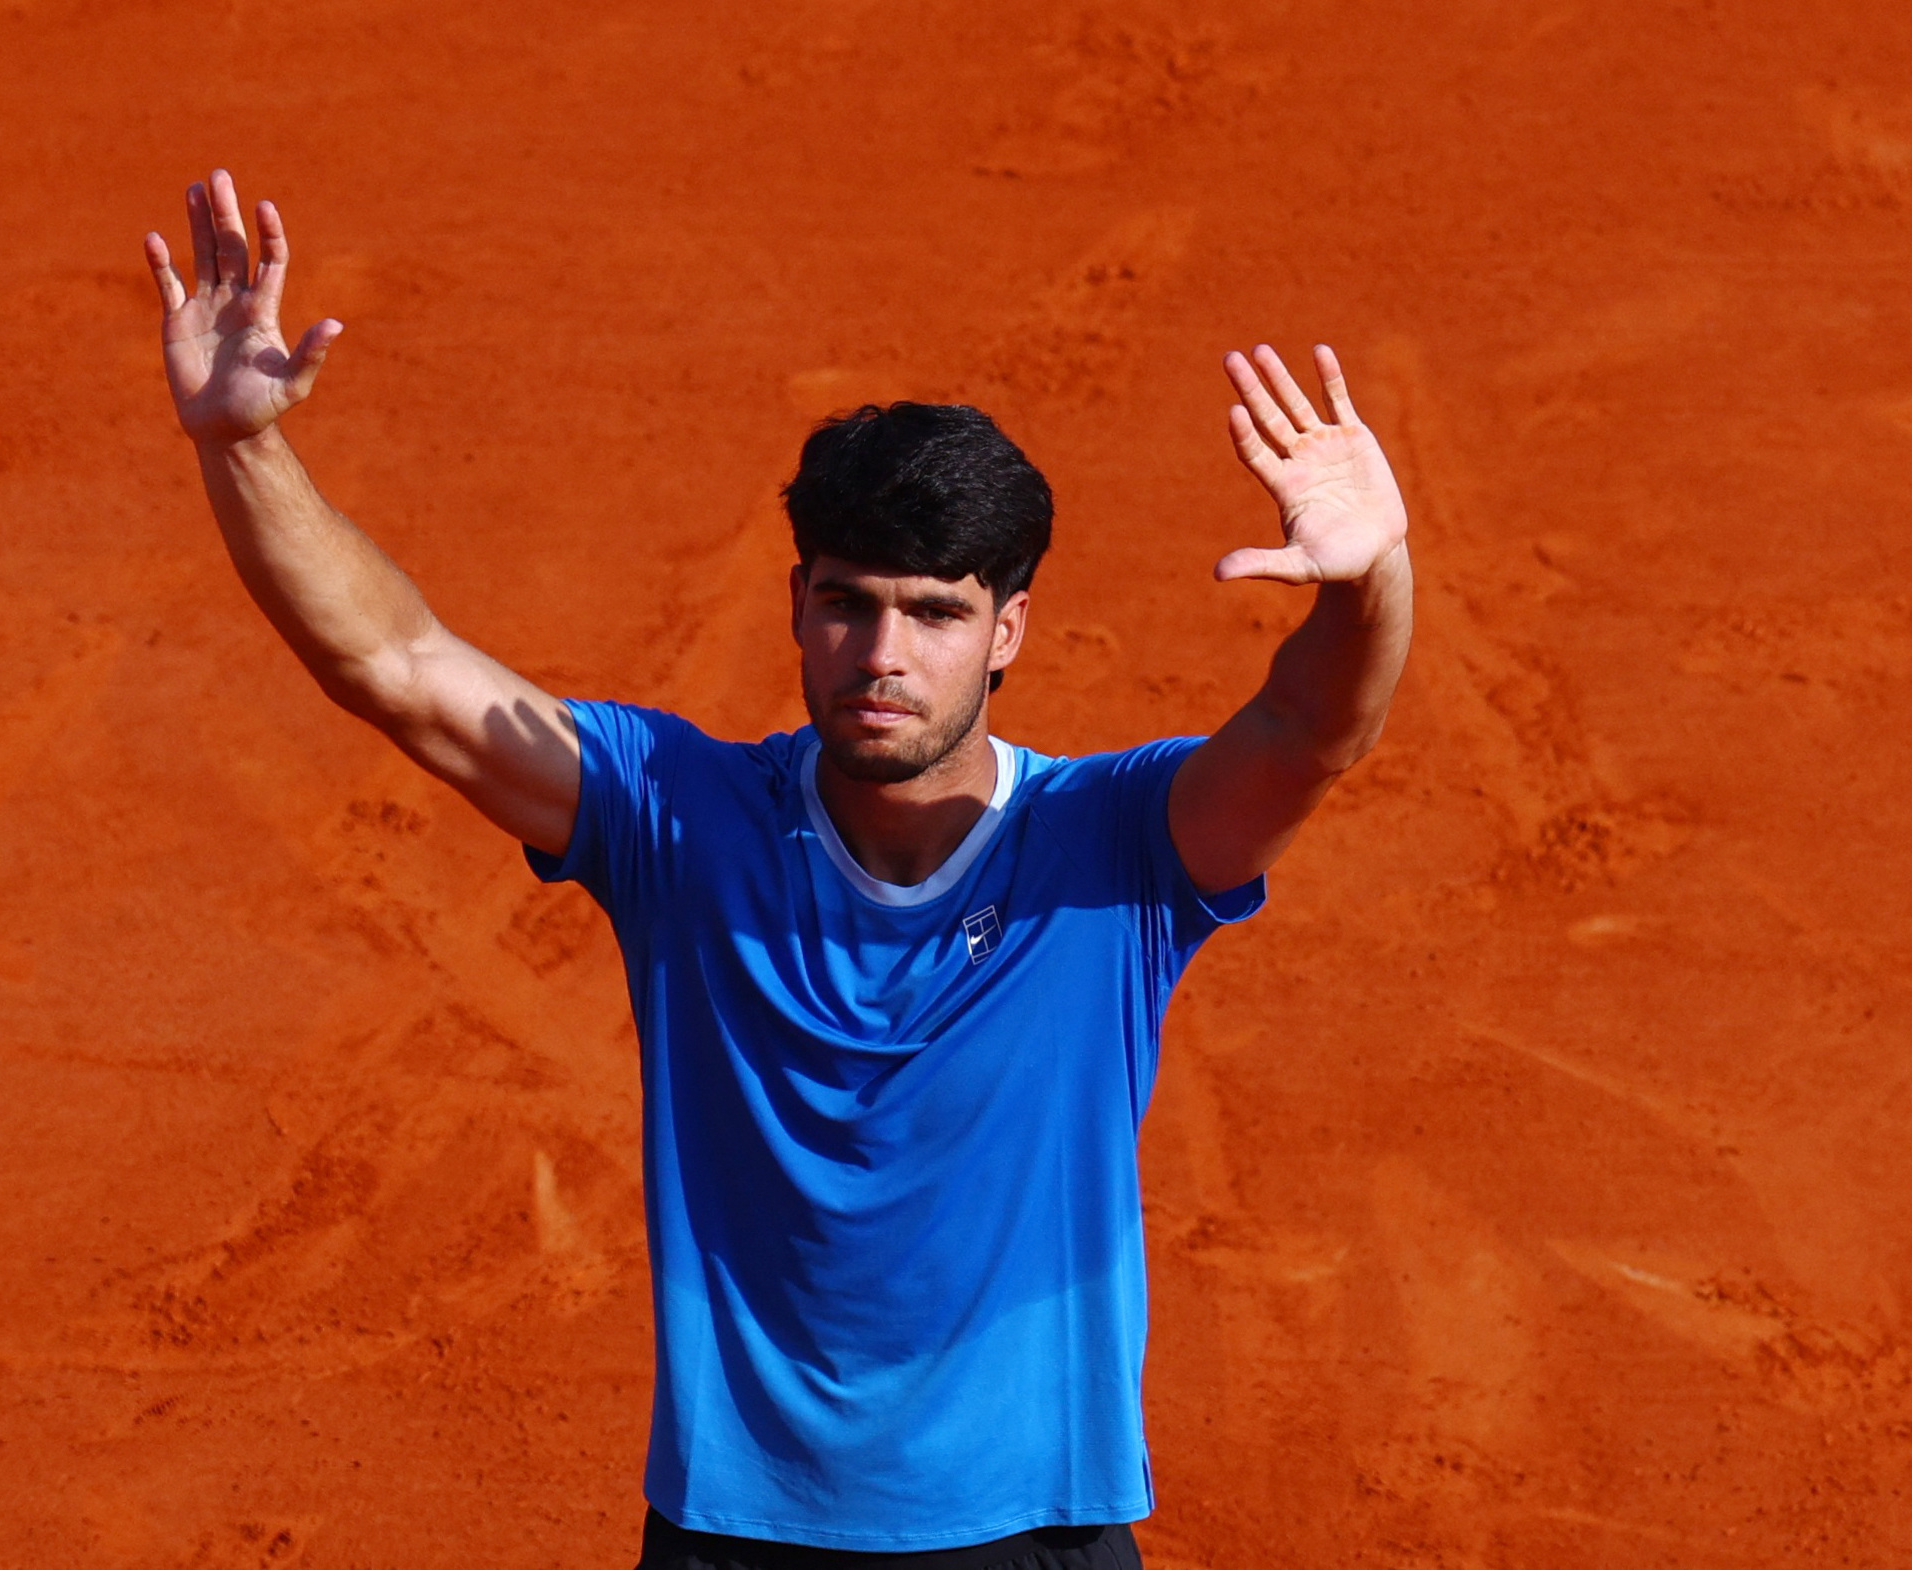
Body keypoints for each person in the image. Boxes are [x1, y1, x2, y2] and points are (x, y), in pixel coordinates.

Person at [143, 170, 1412, 1570]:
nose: (883, 655)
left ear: (1007, 633)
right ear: (796, 609)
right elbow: (395, 666)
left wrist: (1371, 579)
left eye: (934, 613)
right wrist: (242, 447)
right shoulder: (676, 817)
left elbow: (1306, 730)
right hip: (735, 1538)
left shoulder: (1113, 849)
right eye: (847, 604)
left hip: (1037, 1533)